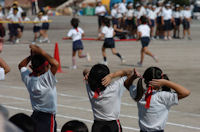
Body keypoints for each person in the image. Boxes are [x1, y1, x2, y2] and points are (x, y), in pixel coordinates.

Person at [124, 67, 190, 132]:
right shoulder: (163, 96)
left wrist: (133, 77)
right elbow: (186, 92)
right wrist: (166, 83)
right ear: (161, 80)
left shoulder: (139, 93)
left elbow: (126, 84)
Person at [18, 44, 59, 132]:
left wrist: (31, 56)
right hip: (47, 119)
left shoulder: (28, 78)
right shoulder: (46, 79)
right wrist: (41, 52)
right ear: (44, 67)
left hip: (34, 116)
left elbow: (21, 66)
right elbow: (55, 64)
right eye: (47, 66)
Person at [83, 64, 132, 132]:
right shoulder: (114, 88)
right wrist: (112, 75)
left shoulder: (90, 88)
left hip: (97, 126)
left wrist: (88, 74)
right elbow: (129, 72)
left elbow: (85, 71)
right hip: (112, 125)